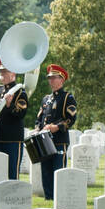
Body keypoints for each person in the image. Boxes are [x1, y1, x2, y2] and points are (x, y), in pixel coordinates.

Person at [35, 65, 77, 202]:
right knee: (46, 172)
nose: (51, 80)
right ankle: (48, 199)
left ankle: (59, 200)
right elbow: (39, 118)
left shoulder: (67, 98)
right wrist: (37, 129)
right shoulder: (46, 99)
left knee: (58, 171)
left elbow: (71, 119)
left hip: (59, 140)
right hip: (44, 141)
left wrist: (56, 127)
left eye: (54, 78)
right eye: (49, 78)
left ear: (62, 80)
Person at [0, 62, 29, 180]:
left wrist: (10, 105)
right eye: (1, 71)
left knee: (12, 173)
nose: (1, 74)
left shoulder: (20, 92)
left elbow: (22, 113)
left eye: (4, 72)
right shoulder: (0, 90)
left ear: (13, 74)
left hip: (12, 138)